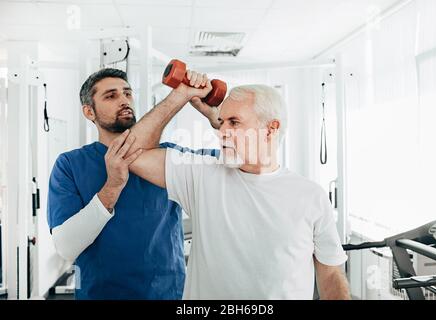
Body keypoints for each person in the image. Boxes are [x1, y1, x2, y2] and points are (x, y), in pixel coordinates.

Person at [125, 77, 351, 299]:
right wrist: (180, 95)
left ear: (270, 129)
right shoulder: (201, 174)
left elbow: (330, 274)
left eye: (234, 122)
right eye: (221, 122)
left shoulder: (310, 196)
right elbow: (129, 154)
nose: (221, 131)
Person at [47, 68, 217, 299]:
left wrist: (216, 118)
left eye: (127, 93)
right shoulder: (69, 164)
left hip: (168, 294)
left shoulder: (169, 157)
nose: (124, 100)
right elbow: (66, 247)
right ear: (89, 112)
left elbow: (241, 160)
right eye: (111, 96)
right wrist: (113, 186)